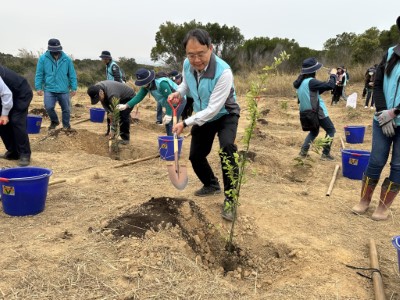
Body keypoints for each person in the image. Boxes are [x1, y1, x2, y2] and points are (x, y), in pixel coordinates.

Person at [167, 28, 241, 222]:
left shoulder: (223, 72)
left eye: (201, 54)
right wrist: (178, 93)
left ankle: (231, 200)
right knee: (195, 156)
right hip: (202, 114)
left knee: (227, 149)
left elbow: (214, 109)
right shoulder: (186, 64)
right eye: (191, 55)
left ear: (211, 48)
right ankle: (211, 184)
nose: (196, 60)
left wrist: (185, 122)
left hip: (225, 114)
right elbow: (186, 84)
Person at [351, 16, 400, 221]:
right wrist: (383, 113)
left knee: (398, 165)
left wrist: (395, 112)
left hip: (396, 117)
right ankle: (364, 201)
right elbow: (377, 85)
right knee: (376, 160)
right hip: (382, 119)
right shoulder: (390, 54)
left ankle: (383, 207)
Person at [116, 68, 186, 136]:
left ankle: (174, 144)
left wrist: (168, 114)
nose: (142, 85)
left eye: (143, 83)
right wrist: (126, 105)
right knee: (168, 123)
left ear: (149, 80)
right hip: (168, 103)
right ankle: (170, 140)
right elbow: (138, 97)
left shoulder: (162, 84)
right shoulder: (146, 86)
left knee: (171, 122)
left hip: (179, 100)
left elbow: (171, 99)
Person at [293, 57, 337, 161]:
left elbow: (314, 92)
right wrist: (333, 75)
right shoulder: (311, 82)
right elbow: (331, 85)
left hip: (306, 113)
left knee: (314, 132)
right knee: (331, 130)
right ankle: (325, 154)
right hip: (317, 112)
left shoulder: (300, 84)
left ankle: (303, 152)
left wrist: (328, 80)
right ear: (313, 71)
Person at [35, 38, 77, 130]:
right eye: (53, 50)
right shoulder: (43, 59)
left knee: (66, 109)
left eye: (57, 49)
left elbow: (72, 74)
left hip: (63, 89)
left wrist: (74, 88)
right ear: (50, 49)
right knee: (49, 107)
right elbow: (39, 74)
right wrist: (38, 87)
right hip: (49, 88)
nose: (56, 52)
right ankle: (55, 121)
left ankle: (66, 126)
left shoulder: (67, 59)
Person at [0, 65, 33, 166]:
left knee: (16, 121)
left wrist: (5, 114)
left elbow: (7, 94)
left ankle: (25, 154)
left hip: (21, 93)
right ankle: (13, 152)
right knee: (1, 123)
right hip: (5, 94)